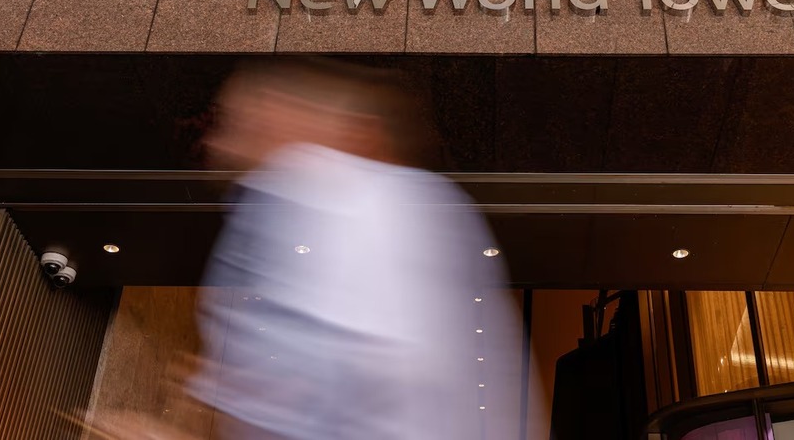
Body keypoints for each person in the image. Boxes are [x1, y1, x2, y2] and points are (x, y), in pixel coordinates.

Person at [179, 59, 534, 439]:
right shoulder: (305, 206)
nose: (221, 141)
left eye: (244, 119)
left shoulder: (369, 202)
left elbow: (375, 369)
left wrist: (243, 394)